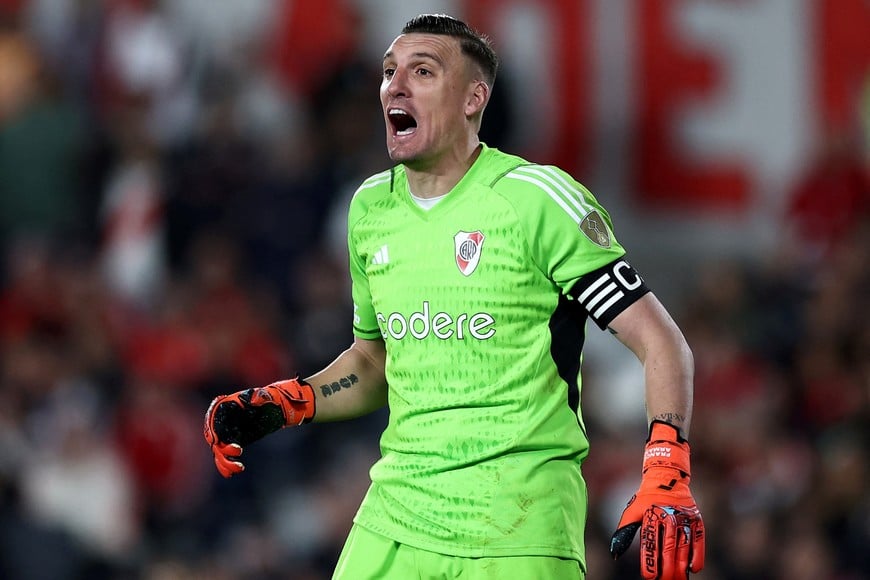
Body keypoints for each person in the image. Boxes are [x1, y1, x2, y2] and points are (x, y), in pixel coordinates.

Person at [204, 14, 705, 579]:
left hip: (517, 524)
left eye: (422, 71)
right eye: (390, 71)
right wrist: (288, 401)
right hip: (397, 515)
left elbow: (662, 343)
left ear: (473, 98)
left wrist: (667, 465)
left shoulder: (537, 201)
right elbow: (375, 360)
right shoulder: (370, 209)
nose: (395, 85)